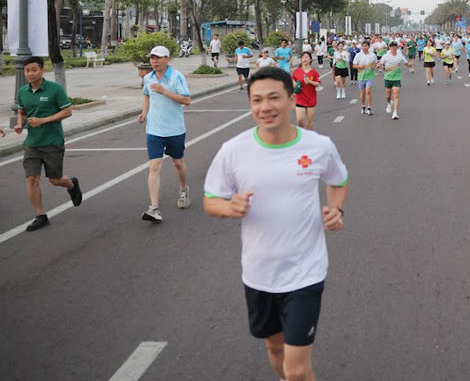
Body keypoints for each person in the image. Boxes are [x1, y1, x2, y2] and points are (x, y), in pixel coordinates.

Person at [203, 67, 348, 381]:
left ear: (291, 99)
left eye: (273, 98)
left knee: (297, 370)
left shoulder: (318, 146)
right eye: (257, 100)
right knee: (275, 349)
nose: (264, 107)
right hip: (259, 275)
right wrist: (230, 207)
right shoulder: (234, 151)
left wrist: (336, 210)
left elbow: (338, 180)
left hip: (305, 271)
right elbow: (211, 199)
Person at [15, 56, 79, 231]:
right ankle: (40, 215)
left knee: (55, 180)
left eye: (34, 70)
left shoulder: (55, 89)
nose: (30, 73)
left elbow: (67, 112)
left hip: (52, 142)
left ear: (42, 70)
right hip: (32, 144)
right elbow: (21, 111)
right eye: (27, 70)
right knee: (32, 178)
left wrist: (44, 120)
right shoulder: (22, 92)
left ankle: (71, 185)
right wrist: (20, 124)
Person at [138, 45, 192, 222]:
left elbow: (186, 100)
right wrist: (145, 112)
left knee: (178, 163)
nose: (154, 61)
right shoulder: (147, 78)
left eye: (158, 58)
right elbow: (146, 94)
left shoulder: (177, 77)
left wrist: (164, 91)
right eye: (152, 58)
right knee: (154, 166)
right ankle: (153, 208)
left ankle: (183, 189)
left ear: (168, 59)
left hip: (174, 129)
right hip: (154, 129)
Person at [293, 52, 321, 131]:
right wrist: (295, 85)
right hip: (300, 98)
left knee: (309, 121)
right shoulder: (297, 71)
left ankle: (309, 136)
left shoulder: (314, 72)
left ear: (310, 59)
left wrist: (309, 81)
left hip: (310, 99)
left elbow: (318, 84)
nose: (304, 59)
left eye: (306, 57)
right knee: (300, 120)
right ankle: (302, 135)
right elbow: (292, 79)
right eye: (303, 58)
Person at [379, 41, 408, 119]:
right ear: (389, 47)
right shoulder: (385, 56)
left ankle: (395, 112)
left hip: (397, 78)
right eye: (391, 46)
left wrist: (410, 64)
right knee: (388, 96)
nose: (393, 47)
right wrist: (377, 66)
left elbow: (406, 63)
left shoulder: (400, 56)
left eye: (394, 46)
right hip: (387, 78)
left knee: (396, 94)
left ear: (397, 47)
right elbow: (380, 64)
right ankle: (389, 103)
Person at [353, 40, 377, 115]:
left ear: (368, 47)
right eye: (363, 46)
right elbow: (354, 65)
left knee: (368, 90)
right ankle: (363, 106)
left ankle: (369, 107)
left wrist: (374, 66)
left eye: (366, 46)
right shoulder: (358, 55)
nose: (364, 47)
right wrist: (360, 66)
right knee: (362, 92)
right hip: (361, 76)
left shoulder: (373, 55)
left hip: (370, 75)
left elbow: (375, 64)